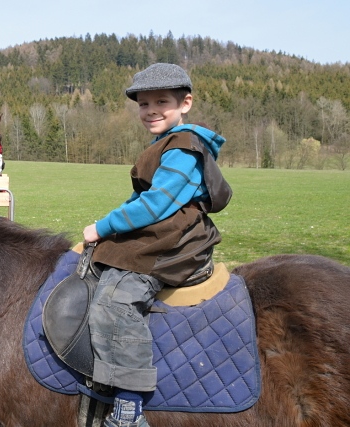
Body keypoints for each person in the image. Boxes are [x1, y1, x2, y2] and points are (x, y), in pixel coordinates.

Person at [82, 63, 232, 427]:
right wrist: (110, 225)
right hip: (163, 231)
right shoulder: (166, 143)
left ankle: (129, 408)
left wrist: (103, 227)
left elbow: (156, 204)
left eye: (161, 101)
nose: (150, 110)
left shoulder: (183, 147)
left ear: (185, 103)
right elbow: (143, 201)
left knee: (116, 300)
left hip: (176, 240)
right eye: (143, 104)